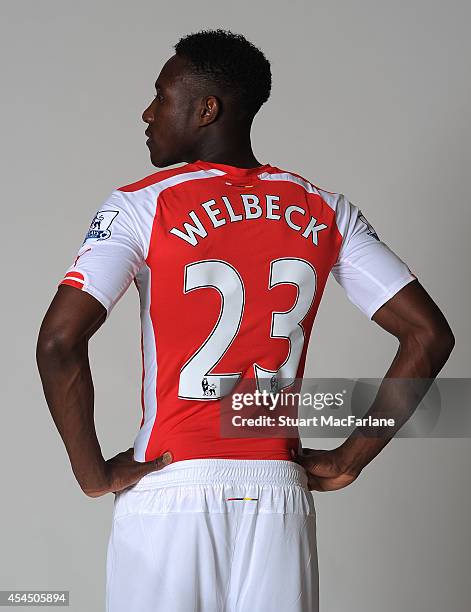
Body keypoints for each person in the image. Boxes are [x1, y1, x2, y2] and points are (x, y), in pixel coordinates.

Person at [36, 28, 454, 612]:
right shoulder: (325, 208)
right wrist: (348, 459)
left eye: (162, 95)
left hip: (172, 486)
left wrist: (92, 472)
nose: (147, 112)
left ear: (207, 108)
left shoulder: (140, 204)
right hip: (277, 494)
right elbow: (429, 335)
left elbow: (59, 341)